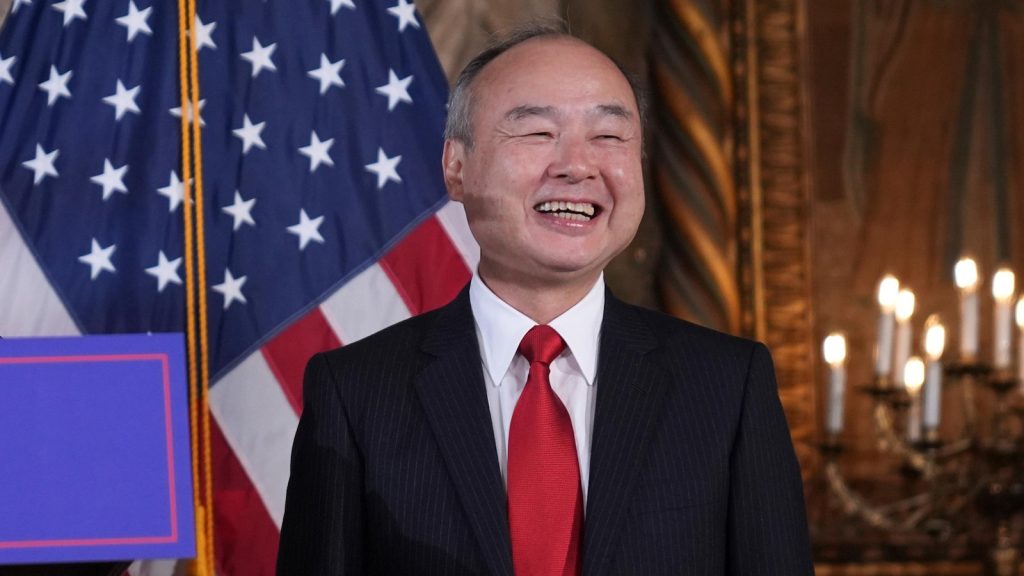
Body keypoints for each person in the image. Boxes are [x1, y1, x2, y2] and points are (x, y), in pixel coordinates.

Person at [277, 23, 813, 576]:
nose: (577, 165)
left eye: (609, 136)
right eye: (537, 132)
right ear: (456, 166)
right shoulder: (356, 392)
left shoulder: (728, 387)